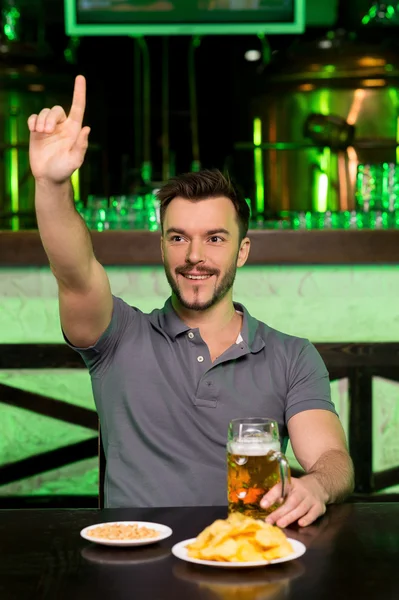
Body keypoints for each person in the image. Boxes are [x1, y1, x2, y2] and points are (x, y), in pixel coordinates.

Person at [28, 76, 354, 527]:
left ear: (242, 251)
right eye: (178, 237)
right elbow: (74, 270)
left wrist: (317, 485)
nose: (195, 256)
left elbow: (334, 459)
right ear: (161, 246)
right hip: (134, 570)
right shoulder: (118, 336)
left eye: (215, 239)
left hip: (245, 567)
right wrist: (51, 185)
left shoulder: (292, 355)